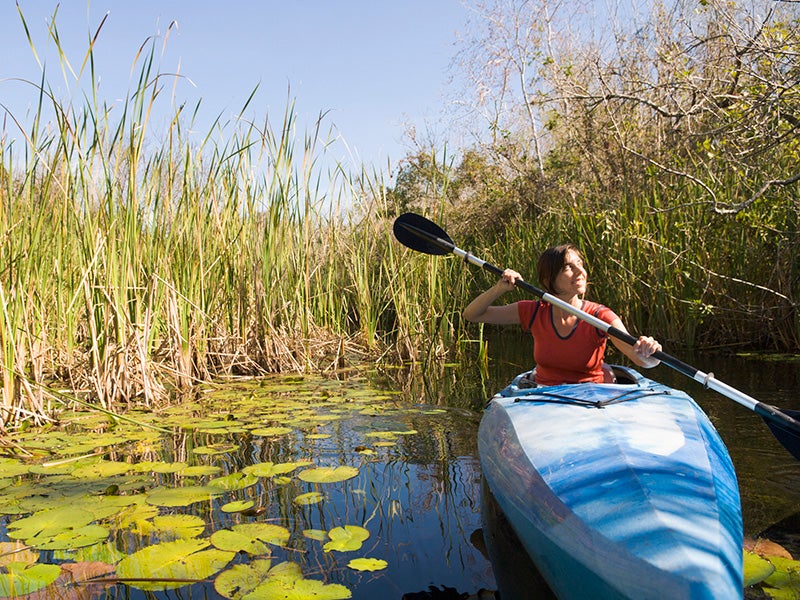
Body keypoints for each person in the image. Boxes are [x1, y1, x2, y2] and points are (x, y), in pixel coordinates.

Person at [462, 243, 661, 386]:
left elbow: (640, 359)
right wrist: (500, 289)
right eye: (568, 267)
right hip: (546, 396)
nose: (580, 271)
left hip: (593, 397)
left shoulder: (600, 316)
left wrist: (650, 352)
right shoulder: (533, 311)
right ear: (549, 280)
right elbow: (472, 314)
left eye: (580, 264)